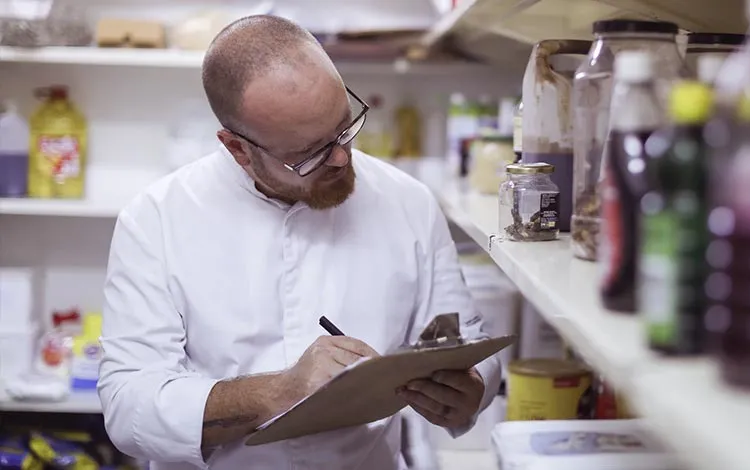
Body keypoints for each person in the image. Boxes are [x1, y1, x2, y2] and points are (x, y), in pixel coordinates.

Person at [97, 15, 500, 470]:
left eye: (344, 128)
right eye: (309, 154)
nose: (342, 158)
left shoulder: (407, 201)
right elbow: (129, 406)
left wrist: (468, 391)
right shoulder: (156, 219)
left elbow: (467, 341)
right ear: (238, 149)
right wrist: (280, 392)